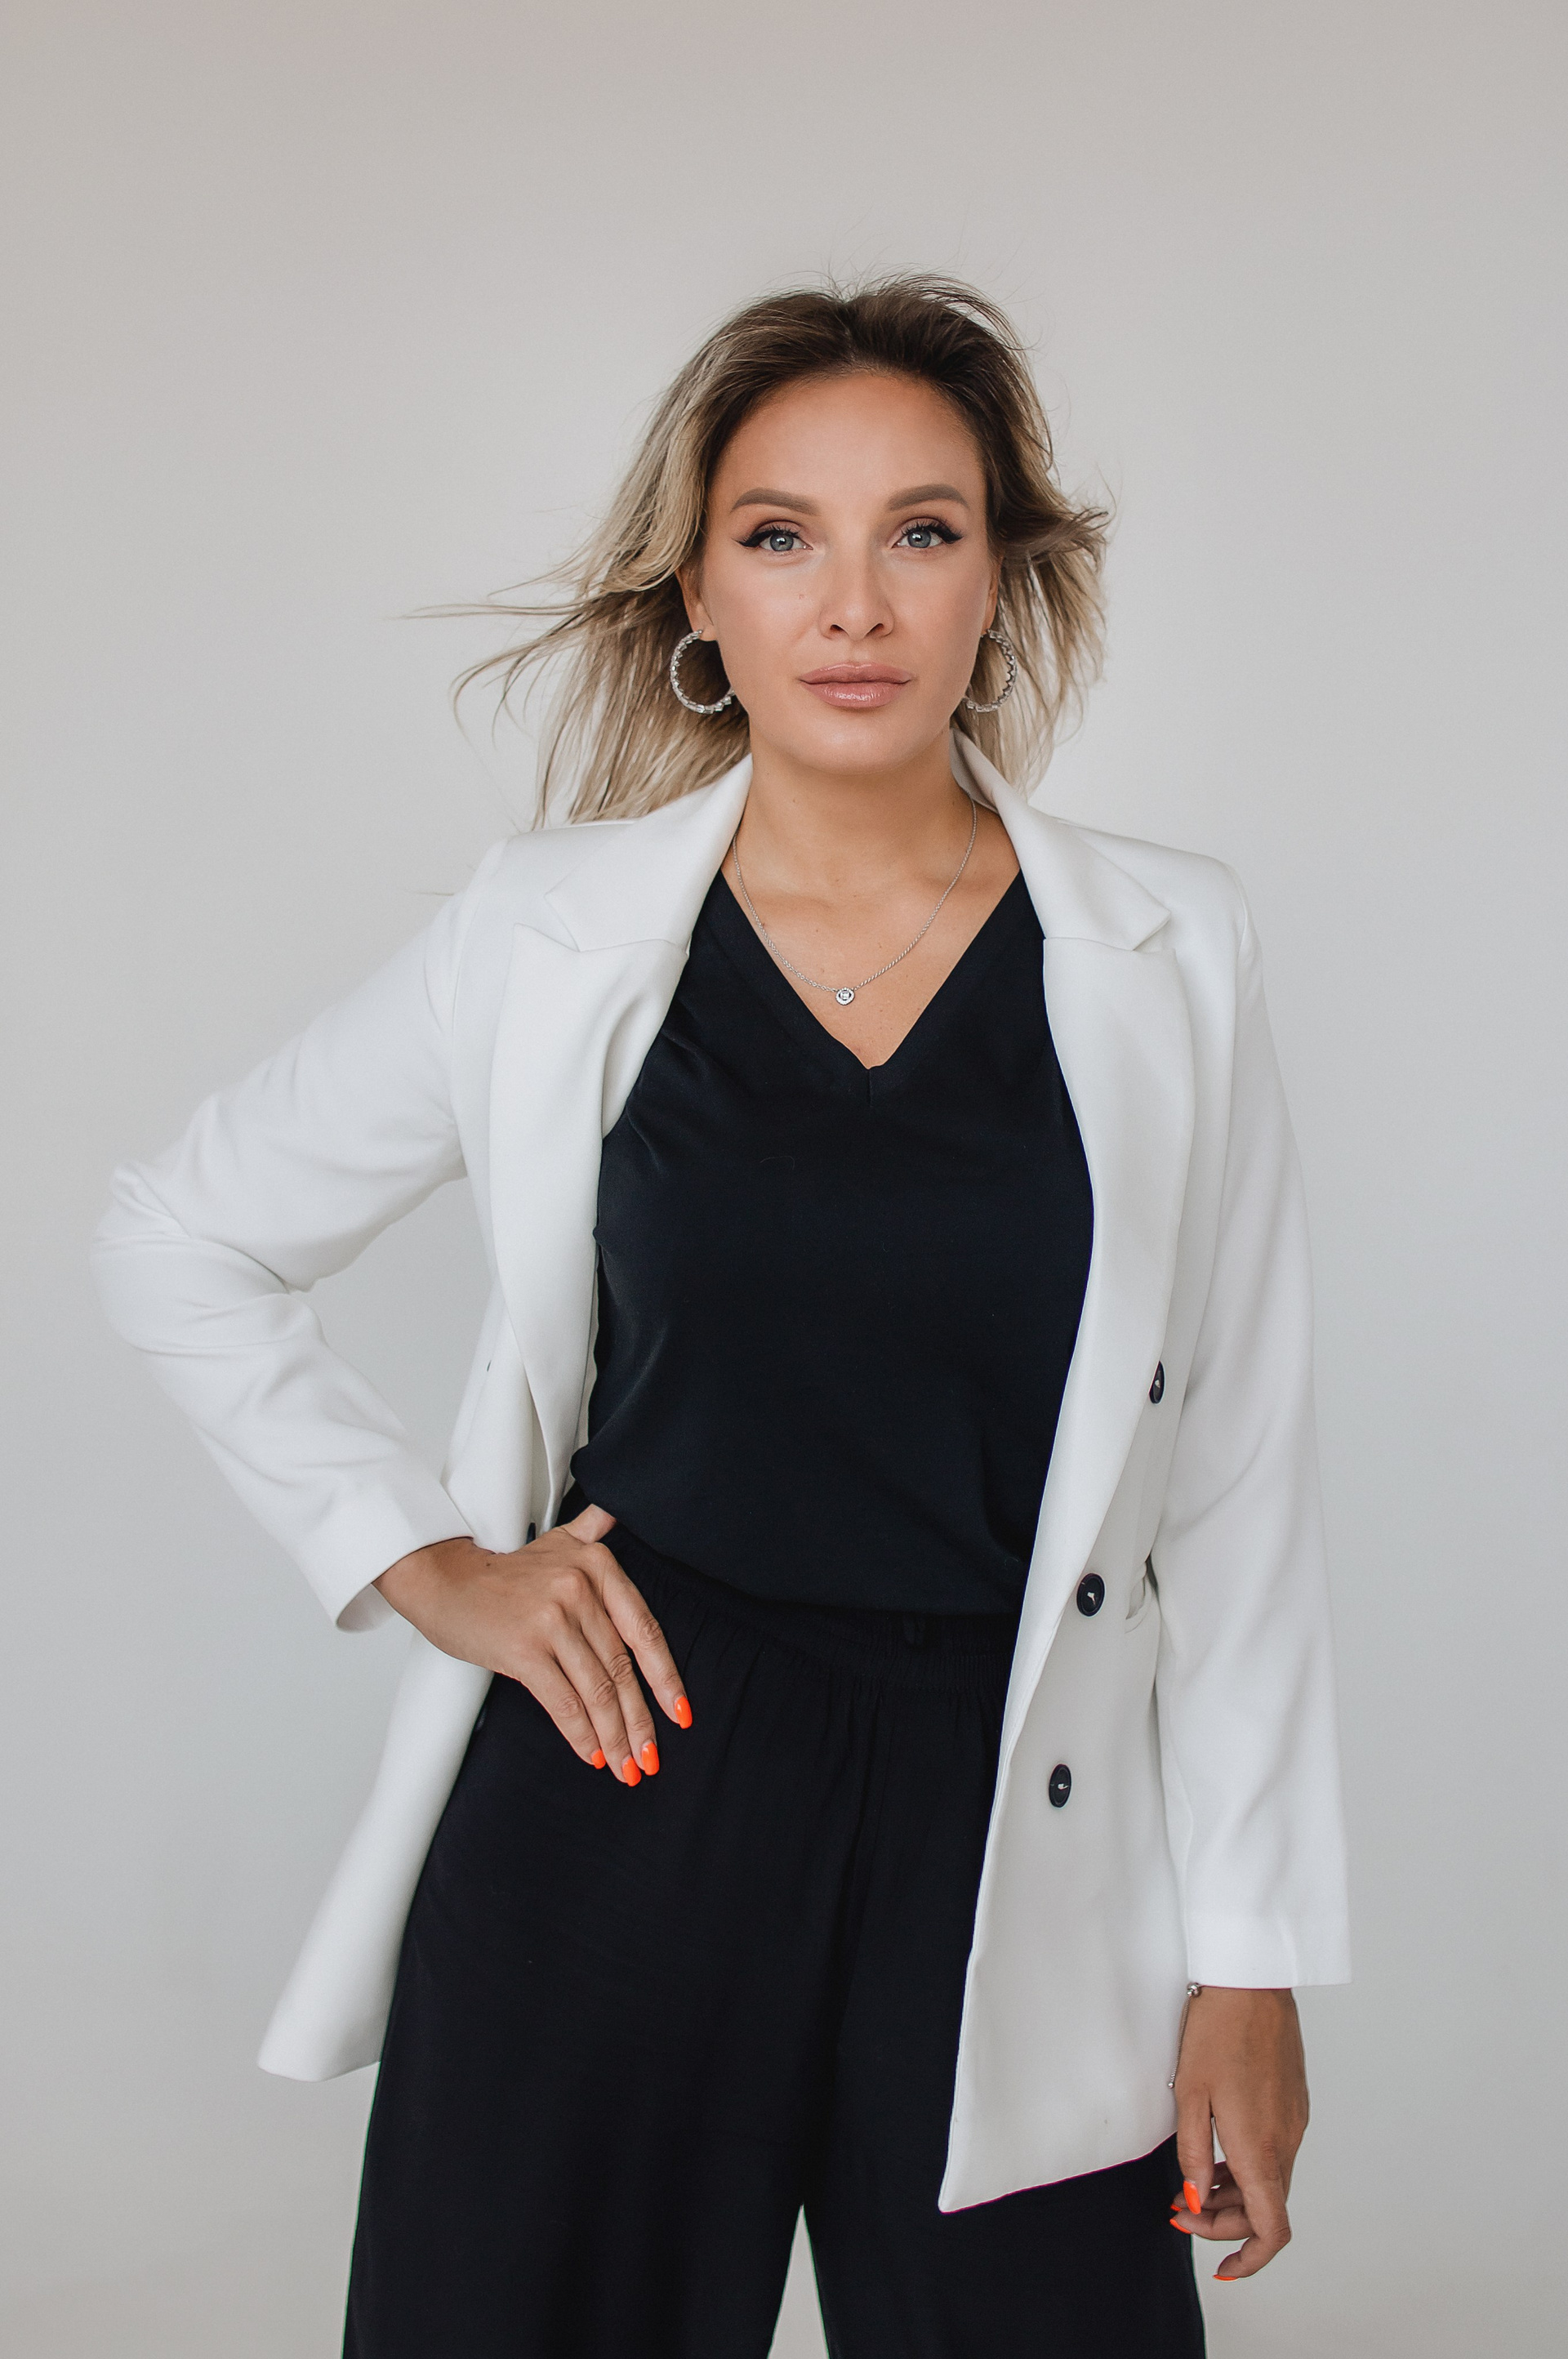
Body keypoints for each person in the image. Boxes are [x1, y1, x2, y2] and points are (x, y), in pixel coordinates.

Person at [91, 274, 1350, 2359]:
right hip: (627, 1778)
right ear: (701, 589)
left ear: (998, 579)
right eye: (782, 535)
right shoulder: (545, 932)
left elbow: (1235, 1480)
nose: (853, 602)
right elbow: (181, 1236)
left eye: (921, 530)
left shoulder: (1169, 950)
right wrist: (431, 1565)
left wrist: (1252, 1952)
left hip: (1014, 1821)